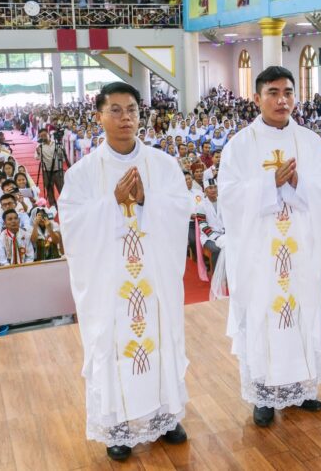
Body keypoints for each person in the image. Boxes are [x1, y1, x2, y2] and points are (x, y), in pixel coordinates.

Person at [59, 82, 191, 461]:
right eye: (114, 110)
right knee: (112, 347)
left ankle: (165, 416)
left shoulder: (162, 165)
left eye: (131, 109)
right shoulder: (83, 173)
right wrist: (112, 203)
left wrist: (147, 199)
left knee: (161, 339)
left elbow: (181, 209)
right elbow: (72, 224)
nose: (125, 118)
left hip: (154, 278)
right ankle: (116, 426)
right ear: (99, 116)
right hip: (109, 281)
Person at [219, 66, 321, 427]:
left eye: (288, 91)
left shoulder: (311, 142)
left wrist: (299, 182)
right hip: (260, 253)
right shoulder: (240, 145)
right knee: (262, 316)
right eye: (272, 92)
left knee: (303, 313)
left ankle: (302, 389)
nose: (282, 99)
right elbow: (229, 196)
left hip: (301, 248)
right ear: (256, 98)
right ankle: (264, 394)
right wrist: (270, 182)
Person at [35, 128, 64, 206]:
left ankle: (64, 204)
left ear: (48, 134)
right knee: (49, 190)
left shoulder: (56, 143)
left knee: (62, 189)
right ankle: (53, 206)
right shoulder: (39, 146)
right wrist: (38, 152)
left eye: (44, 135)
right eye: (41, 136)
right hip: (46, 171)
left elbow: (62, 156)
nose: (43, 137)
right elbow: (36, 157)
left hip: (57, 170)